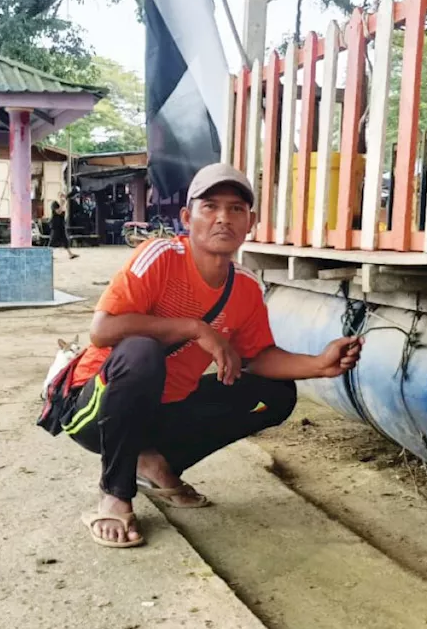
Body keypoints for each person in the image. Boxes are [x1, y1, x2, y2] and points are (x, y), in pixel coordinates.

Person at [58, 162, 363, 548]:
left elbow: (258, 356)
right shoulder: (161, 256)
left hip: (159, 412)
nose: (223, 218)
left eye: (236, 209)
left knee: (277, 392)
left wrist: (318, 364)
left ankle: (154, 463)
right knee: (141, 351)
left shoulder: (247, 289)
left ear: (249, 221)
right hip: (96, 405)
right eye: (210, 207)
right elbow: (103, 330)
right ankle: (115, 494)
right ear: (188, 217)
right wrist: (194, 328)